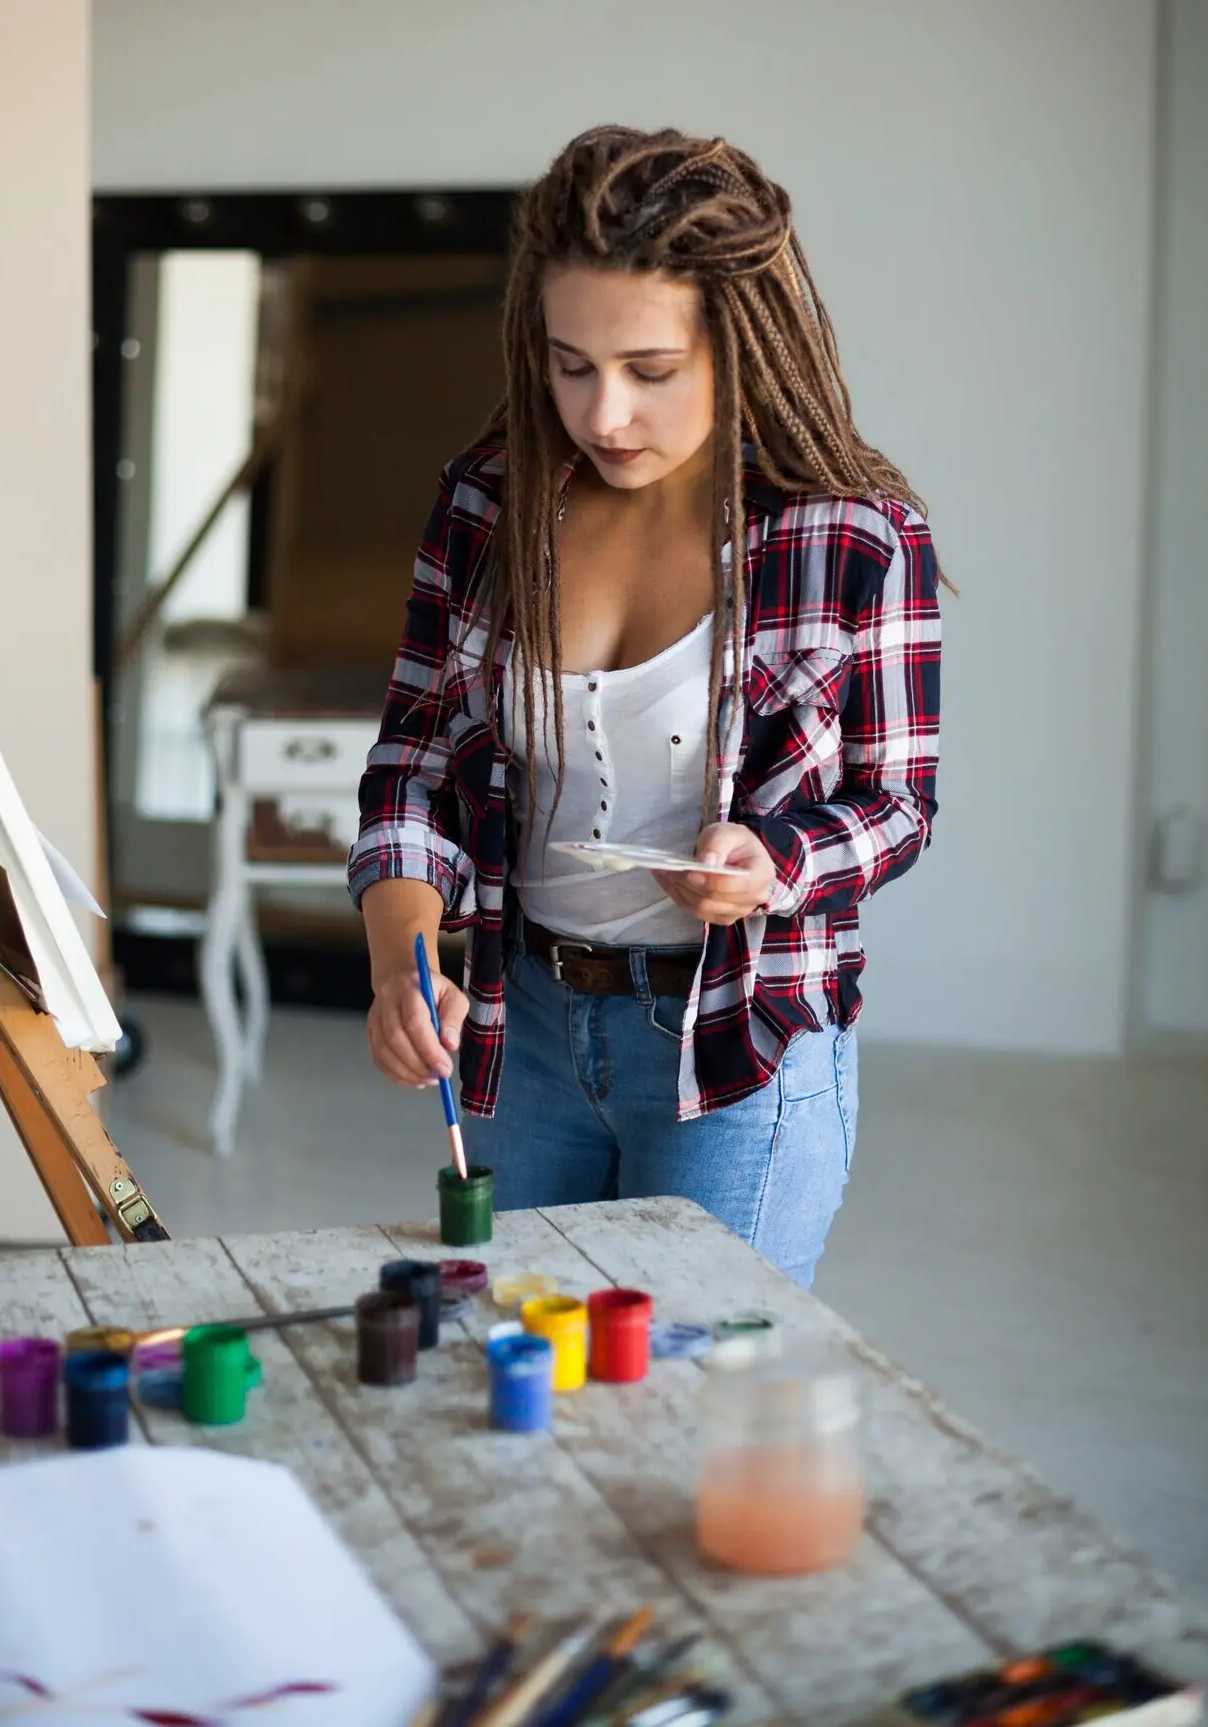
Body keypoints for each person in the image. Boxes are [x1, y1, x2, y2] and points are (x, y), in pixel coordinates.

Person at [347, 126, 941, 1287]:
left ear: (739, 341)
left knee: (696, 1411)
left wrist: (772, 863)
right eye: (571, 364)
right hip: (526, 1041)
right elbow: (415, 764)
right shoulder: (488, 504)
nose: (604, 414)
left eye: (650, 371)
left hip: (740, 1044)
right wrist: (398, 965)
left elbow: (901, 804)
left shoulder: (852, 537)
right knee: (516, 1377)